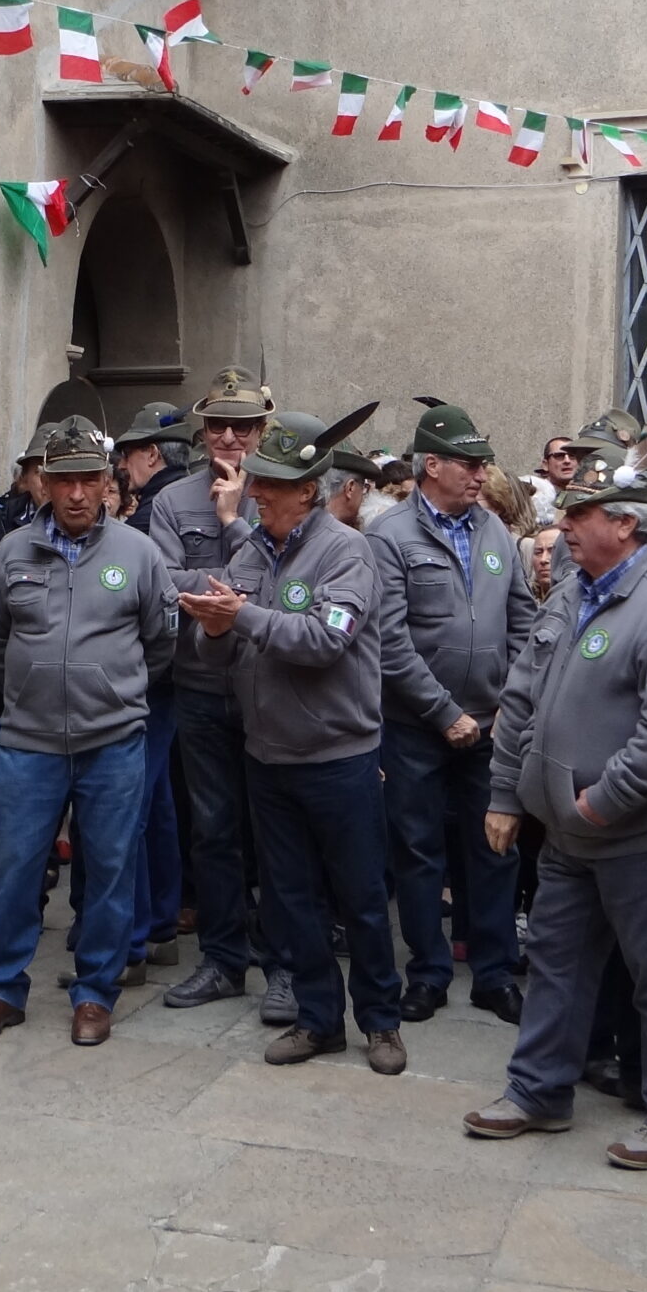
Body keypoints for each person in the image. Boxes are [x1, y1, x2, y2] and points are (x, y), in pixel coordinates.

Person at [463, 437, 647, 1170]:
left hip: (638, 832)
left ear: (629, 525)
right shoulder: (575, 589)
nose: (567, 521)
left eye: (586, 511)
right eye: (569, 508)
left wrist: (602, 804)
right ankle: (539, 1090)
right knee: (555, 961)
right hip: (571, 831)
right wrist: (510, 789)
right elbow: (522, 698)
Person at [182, 408, 406, 1075]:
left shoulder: (348, 552)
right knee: (288, 898)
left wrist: (241, 616)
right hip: (267, 755)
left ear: (307, 491)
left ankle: (380, 1022)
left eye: (271, 485)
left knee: (361, 898)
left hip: (339, 758)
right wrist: (217, 630)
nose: (255, 492)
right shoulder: (249, 550)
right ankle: (317, 1020)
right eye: (257, 483)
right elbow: (216, 652)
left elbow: (323, 642)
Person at [0, 417, 179, 1045]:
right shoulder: (11, 554)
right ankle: (1, 990)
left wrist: (110, 689)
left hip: (113, 741)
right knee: (12, 871)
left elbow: (159, 643)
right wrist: (33, 694)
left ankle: (95, 993)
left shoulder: (139, 555)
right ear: (44, 486)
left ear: (108, 483)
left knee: (111, 870)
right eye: (65, 481)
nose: (78, 493)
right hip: (29, 743)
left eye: (90, 479)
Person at [371, 402, 537, 1024]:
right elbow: (389, 641)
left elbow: (522, 621)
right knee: (417, 851)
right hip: (417, 728)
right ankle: (428, 971)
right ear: (430, 465)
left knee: (497, 847)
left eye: (482, 462)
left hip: (492, 724)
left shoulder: (494, 532)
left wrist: (511, 701)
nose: (479, 473)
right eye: (468, 463)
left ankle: (494, 972)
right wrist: (444, 712)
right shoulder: (389, 537)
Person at [155, 368, 286, 1021]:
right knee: (212, 829)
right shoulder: (173, 501)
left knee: (278, 830)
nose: (229, 438)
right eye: (218, 426)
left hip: (273, 688)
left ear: (264, 431)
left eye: (243, 427)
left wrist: (236, 524)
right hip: (203, 686)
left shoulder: (281, 494)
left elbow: (289, 590)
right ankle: (223, 960)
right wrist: (238, 587)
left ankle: (286, 964)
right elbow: (162, 583)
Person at [115, 403, 194, 973]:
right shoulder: (176, 499)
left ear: (151, 455)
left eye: (126, 454)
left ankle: (133, 939)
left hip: (148, 677)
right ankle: (161, 922)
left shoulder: (151, 513)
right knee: (159, 801)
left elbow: (159, 601)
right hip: (173, 675)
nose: (120, 467)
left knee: (132, 808)